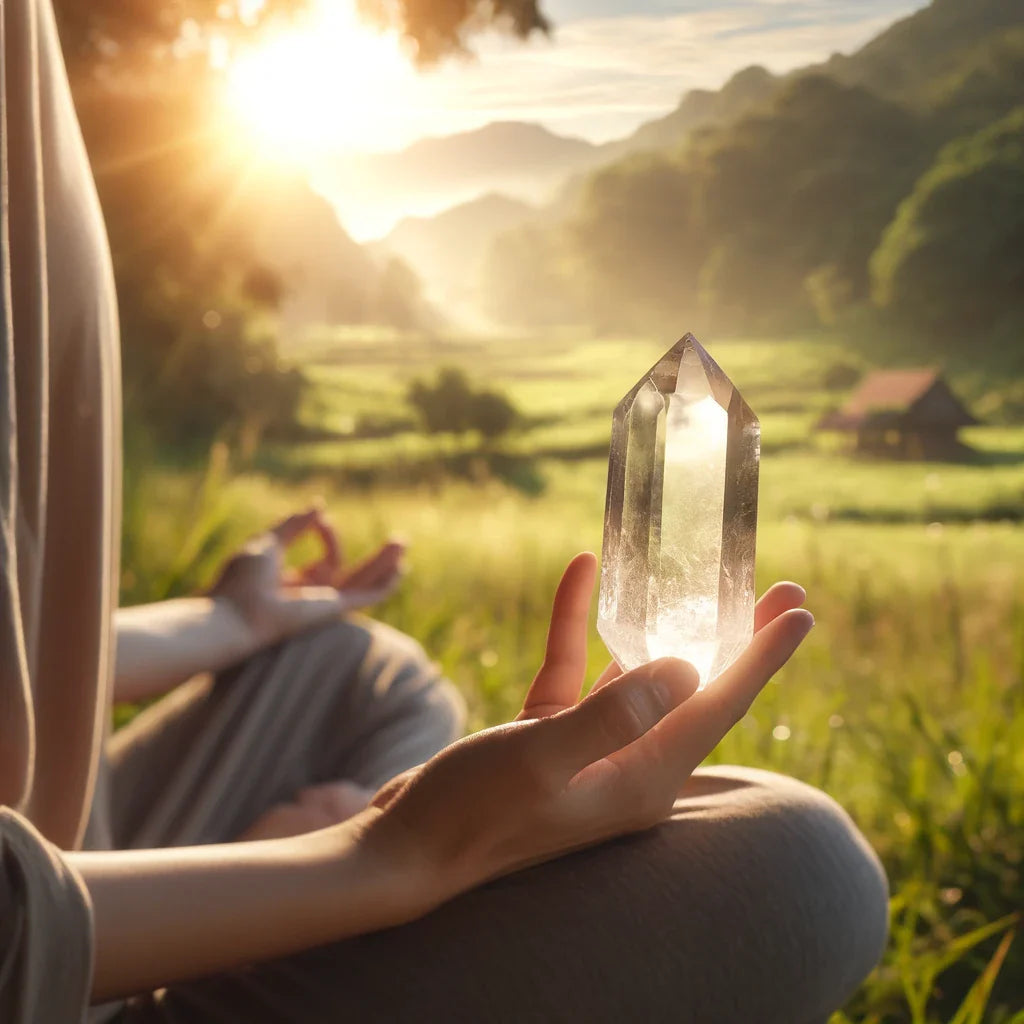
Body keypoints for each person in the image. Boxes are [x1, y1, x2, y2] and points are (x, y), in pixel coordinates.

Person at [0, 1, 889, 1021]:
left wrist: (229, 625)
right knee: (796, 869)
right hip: (30, 948)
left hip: (49, 844)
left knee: (361, 671)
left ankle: (236, 909)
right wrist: (381, 855)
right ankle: (212, 943)